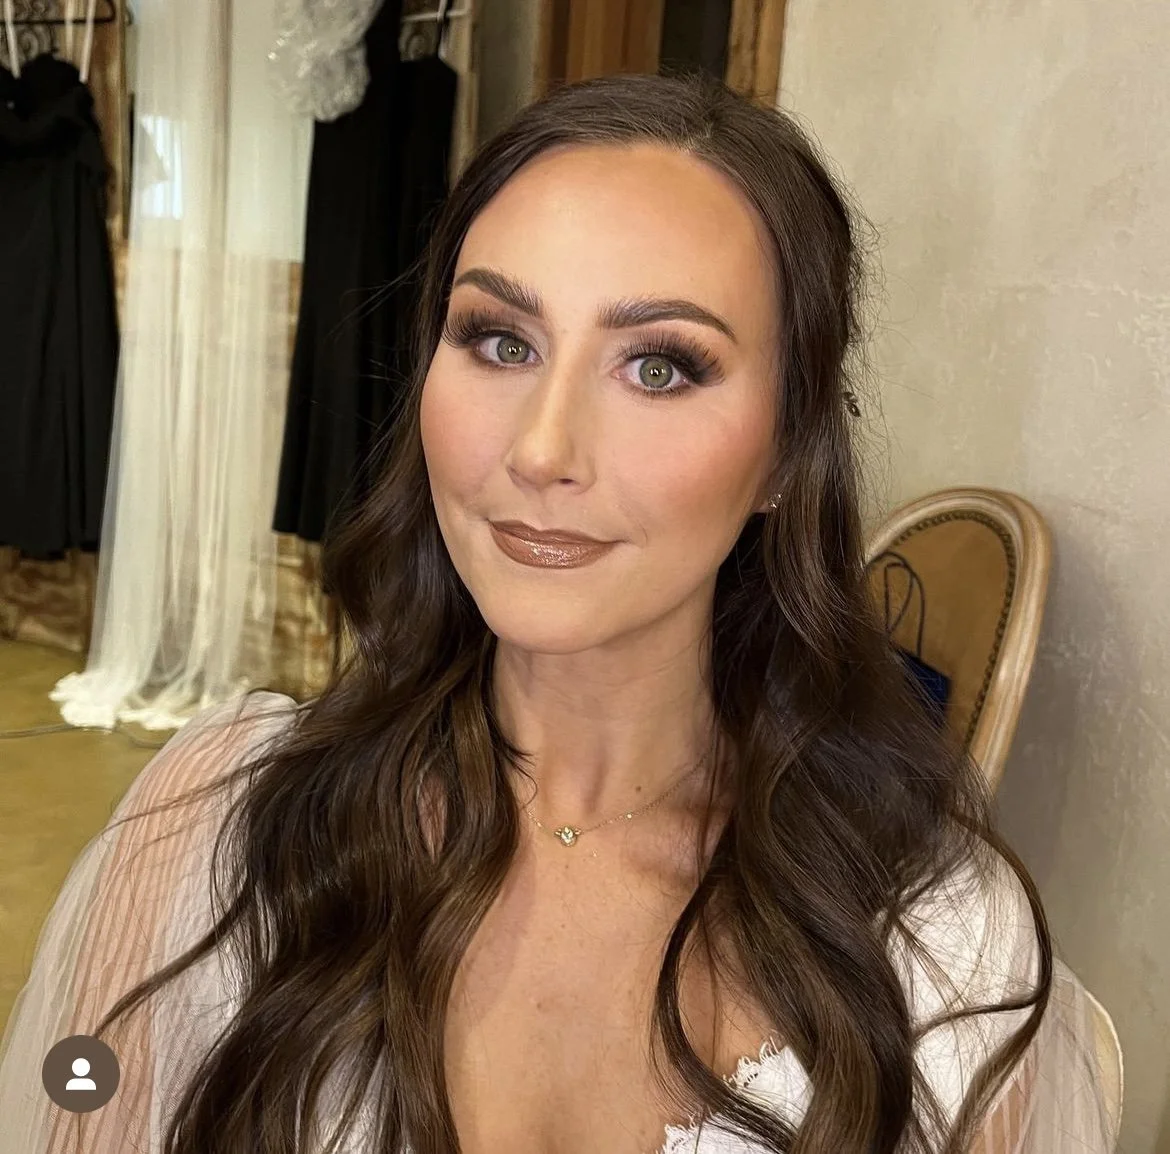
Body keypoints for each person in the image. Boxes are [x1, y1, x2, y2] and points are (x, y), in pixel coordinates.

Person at [0, 72, 1118, 1154]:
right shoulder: (212, 830)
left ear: (787, 451)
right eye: (500, 340)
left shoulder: (941, 953)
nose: (539, 449)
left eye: (663, 368)